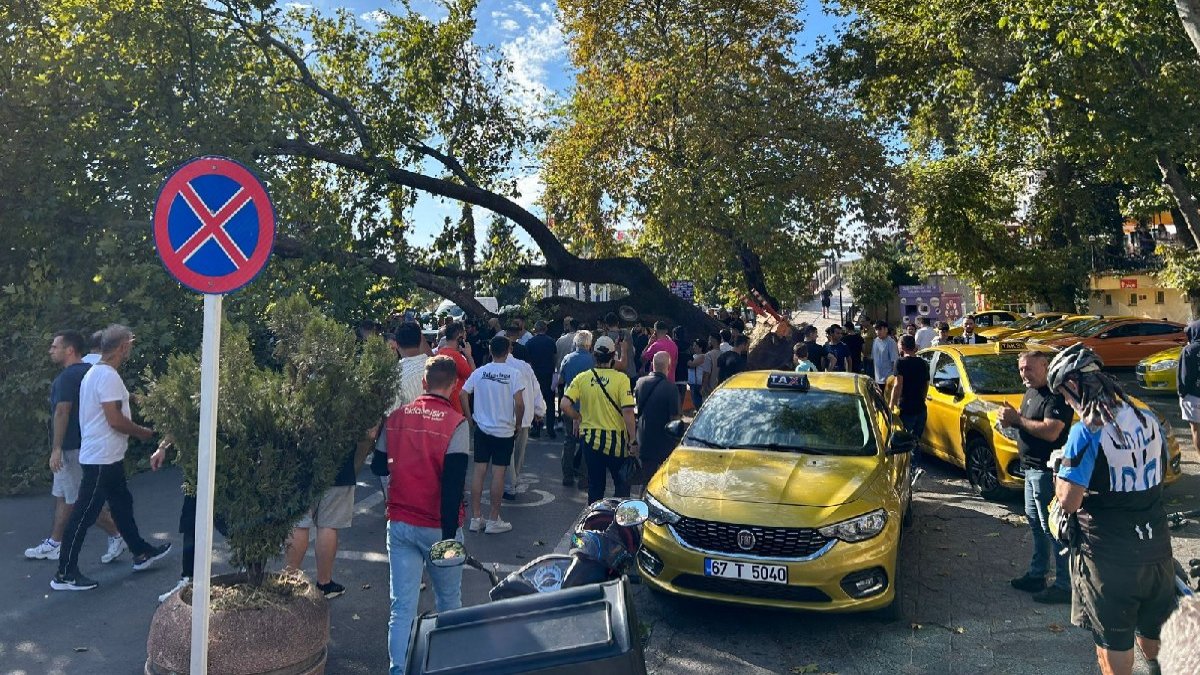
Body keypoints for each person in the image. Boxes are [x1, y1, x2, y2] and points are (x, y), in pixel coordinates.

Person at [1049, 344, 1174, 675]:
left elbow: (1069, 501)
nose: (1065, 402)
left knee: (1113, 651)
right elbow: (1159, 475)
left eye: (1063, 394)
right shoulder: (1147, 419)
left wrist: (1060, 476)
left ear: (1073, 385)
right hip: (1157, 550)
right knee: (1155, 639)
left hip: (1109, 557)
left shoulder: (1086, 430)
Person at [52, 325, 171, 591]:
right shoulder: (106, 376)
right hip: (100, 459)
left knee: (121, 505)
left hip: (107, 457)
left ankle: (141, 552)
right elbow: (114, 419)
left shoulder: (97, 373)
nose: (130, 349)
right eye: (130, 344)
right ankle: (65, 574)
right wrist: (142, 432)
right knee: (84, 514)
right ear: (123, 347)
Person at [384, 356, 469, 674]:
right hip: (438, 527)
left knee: (401, 606)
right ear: (454, 386)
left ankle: (398, 669)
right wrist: (449, 539)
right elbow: (452, 488)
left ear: (423, 382)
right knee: (448, 602)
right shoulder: (456, 424)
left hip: (401, 522)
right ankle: (447, 666)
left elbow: (380, 464)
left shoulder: (396, 417)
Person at [25, 330, 124, 563]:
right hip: (85, 444)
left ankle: (119, 535)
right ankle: (55, 543)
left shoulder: (67, 378)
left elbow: (62, 411)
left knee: (80, 500)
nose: (50, 350)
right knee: (63, 496)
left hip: (73, 448)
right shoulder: (91, 371)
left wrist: (56, 448)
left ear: (69, 350)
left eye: (54, 346)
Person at [998, 350, 1073, 604]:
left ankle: (1064, 584)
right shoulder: (1031, 392)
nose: (1024, 374)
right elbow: (1025, 422)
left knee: (1054, 529)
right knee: (1036, 525)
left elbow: (1052, 431)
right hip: (1029, 469)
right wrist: (1009, 421)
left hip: (1046, 471)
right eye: (1021, 369)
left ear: (1045, 366)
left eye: (1029, 368)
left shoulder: (1055, 395)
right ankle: (1037, 574)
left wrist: (1017, 420)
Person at [285, 435, 370, 599]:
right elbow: (369, 433)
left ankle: (289, 580)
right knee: (329, 525)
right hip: (339, 465)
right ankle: (324, 583)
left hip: (300, 463)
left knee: (299, 523)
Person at [460, 336, 524, 534]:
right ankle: (493, 519)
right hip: (504, 430)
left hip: (482, 428)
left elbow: (463, 393)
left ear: (489, 350)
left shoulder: (480, 372)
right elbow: (519, 403)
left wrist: (470, 418)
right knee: (499, 473)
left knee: (479, 471)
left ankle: (475, 517)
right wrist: (518, 423)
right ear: (508, 350)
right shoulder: (514, 373)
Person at [561, 336, 637, 501]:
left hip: (591, 440)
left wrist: (578, 416)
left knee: (595, 486)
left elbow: (564, 404)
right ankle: (618, 516)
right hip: (617, 443)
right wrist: (633, 439)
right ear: (612, 355)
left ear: (594, 355)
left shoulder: (582, 378)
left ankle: (595, 515)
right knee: (621, 485)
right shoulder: (621, 379)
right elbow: (628, 412)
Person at [372, 323, 429, 493]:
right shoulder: (436, 367)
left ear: (397, 344)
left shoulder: (395, 374)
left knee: (398, 493)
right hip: (434, 441)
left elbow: (389, 414)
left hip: (403, 445)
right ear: (420, 340)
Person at [500, 334, 545, 500]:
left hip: (504, 416)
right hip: (524, 415)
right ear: (510, 349)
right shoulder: (524, 366)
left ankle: (509, 484)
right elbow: (535, 388)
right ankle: (514, 480)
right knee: (519, 452)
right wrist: (539, 411)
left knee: (507, 452)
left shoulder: (495, 367)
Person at [634, 352, 681, 485]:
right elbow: (675, 418)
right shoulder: (671, 388)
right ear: (669, 367)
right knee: (664, 482)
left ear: (652, 365)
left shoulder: (640, 383)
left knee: (646, 481)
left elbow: (636, 408)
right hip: (664, 442)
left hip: (644, 438)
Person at [889, 335, 930, 478]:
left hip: (906, 407)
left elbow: (897, 385)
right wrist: (922, 398)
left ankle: (906, 471)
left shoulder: (900, 362)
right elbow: (926, 384)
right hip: (921, 407)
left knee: (902, 441)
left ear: (902, 346)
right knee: (916, 440)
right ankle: (915, 468)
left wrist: (891, 405)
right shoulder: (923, 363)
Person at [558, 330, 595, 488]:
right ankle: (584, 478)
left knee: (569, 441)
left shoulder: (568, 358)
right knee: (587, 443)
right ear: (589, 344)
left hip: (570, 403)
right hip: (588, 406)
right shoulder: (593, 360)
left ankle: (567, 476)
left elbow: (560, 380)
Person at [526, 321, 558, 439]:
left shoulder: (530, 343)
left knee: (535, 402)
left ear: (535, 329)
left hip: (535, 375)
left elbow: (528, 361)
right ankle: (550, 429)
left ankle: (536, 427)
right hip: (548, 374)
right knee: (550, 403)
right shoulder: (551, 342)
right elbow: (555, 357)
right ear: (546, 329)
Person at [437, 322, 474, 416]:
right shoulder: (455, 356)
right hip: (456, 406)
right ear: (459, 337)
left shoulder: (439, 353)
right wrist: (469, 356)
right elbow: (474, 377)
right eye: (464, 334)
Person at [1176, 320, 1200, 457]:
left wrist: (1182, 393)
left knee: (1196, 430)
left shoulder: (1189, 350)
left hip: (1193, 396)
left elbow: (1184, 376)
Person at [872, 321, 899, 388]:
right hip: (877, 378)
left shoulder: (891, 342)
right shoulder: (875, 341)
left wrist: (893, 377)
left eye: (880, 329)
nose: (877, 332)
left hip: (888, 379)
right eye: (876, 329)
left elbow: (895, 361)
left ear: (886, 329)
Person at [686, 338, 709, 408]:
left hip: (699, 383)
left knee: (699, 403)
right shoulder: (694, 356)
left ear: (701, 348)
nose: (693, 347)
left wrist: (684, 357)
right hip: (693, 383)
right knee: (695, 403)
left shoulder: (703, 356)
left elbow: (692, 364)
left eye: (695, 346)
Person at [671, 326, 690, 402]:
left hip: (673, 374)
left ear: (675, 334)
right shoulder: (688, 346)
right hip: (684, 375)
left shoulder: (672, 345)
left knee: (673, 399)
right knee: (682, 398)